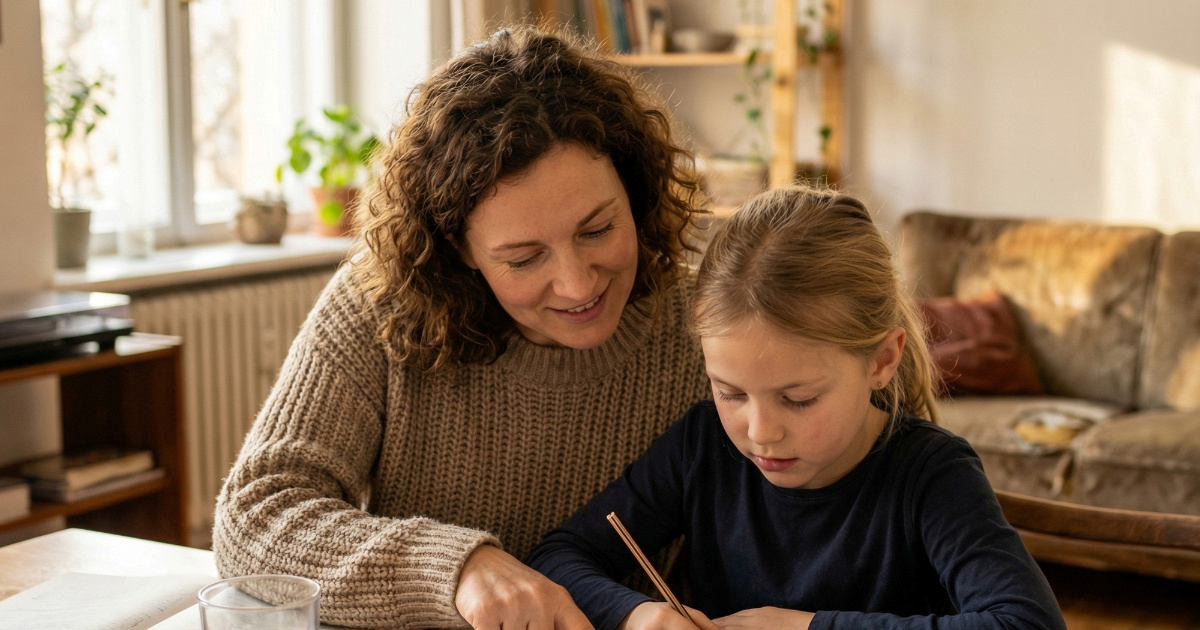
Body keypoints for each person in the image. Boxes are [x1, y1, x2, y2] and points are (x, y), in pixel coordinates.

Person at [211, 26, 712, 630]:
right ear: (461, 248)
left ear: (633, 192)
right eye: (524, 259)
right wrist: (456, 569)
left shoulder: (709, 322)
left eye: (598, 229)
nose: (579, 284)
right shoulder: (379, 307)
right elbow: (255, 515)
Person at [526, 185, 1068, 630]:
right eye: (731, 393)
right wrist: (637, 615)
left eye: (798, 399)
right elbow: (560, 556)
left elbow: (1028, 624)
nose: (760, 433)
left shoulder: (931, 473)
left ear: (881, 360)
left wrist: (806, 628)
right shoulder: (703, 446)